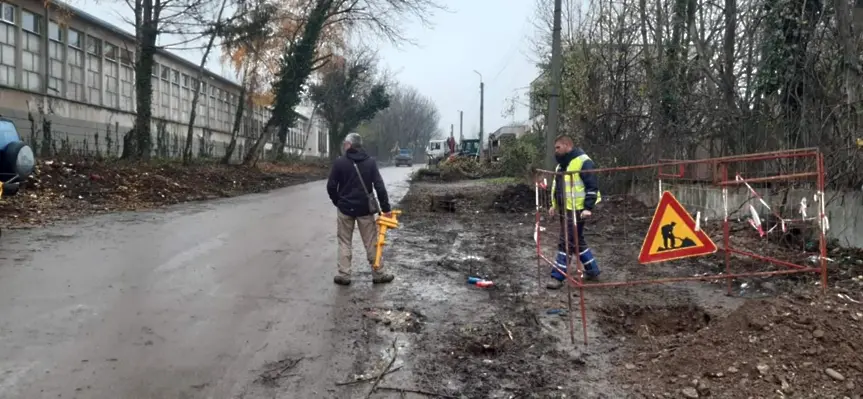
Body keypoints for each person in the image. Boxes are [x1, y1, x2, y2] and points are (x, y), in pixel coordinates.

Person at [326, 132, 395, 286]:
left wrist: (338, 202)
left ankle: (344, 275)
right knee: (371, 242)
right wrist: (386, 209)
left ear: (350, 145)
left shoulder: (340, 163)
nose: (344, 146)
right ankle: (378, 273)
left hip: (345, 209)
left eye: (345, 143)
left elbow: (331, 186)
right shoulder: (370, 162)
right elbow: (379, 187)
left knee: (344, 242)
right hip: (365, 209)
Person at [547, 135, 601, 289]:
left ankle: (558, 276)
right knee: (577, 240)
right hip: (566, 209)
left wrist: (588, 208)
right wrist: (554, 205)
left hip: (578, 210)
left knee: (566, 241)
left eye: (558, 147)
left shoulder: (584, 161)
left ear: (567, 145)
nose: (555, 151)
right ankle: (593, 270)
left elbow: (592, 186)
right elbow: (556, 188)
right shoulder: (561, 166)